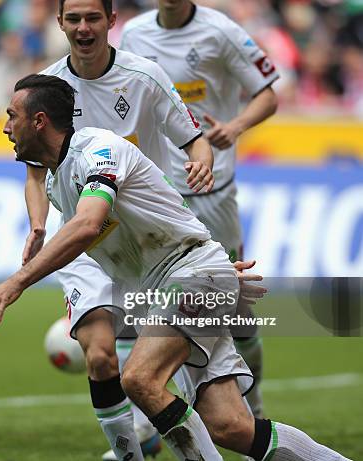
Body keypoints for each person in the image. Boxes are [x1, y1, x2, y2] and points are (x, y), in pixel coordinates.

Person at [0, 74, 350, 461]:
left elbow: (87, 225)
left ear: (39, 120)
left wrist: (17, 282)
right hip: (182, 284)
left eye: (12, 115)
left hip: (190, 275)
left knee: (139, 379)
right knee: (231, 426)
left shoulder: (99, 149)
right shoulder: (55, 181)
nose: (6, 126)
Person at [22, 0, 215, 456]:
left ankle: (159, 431)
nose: (83, 27)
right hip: (83, 237)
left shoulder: (144, 77)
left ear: (111, 21)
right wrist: (36, 225)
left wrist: (202, 163)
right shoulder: (48, 89)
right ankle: (131, 451)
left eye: (93, 18)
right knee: (101, 354)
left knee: (163, 368)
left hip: (149, 238)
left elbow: (195, 139)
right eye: (74, 19)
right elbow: (34, 172)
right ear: (61, 24)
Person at [119, 0, 280, 420]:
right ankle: (147, 421)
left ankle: (253, 403)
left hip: (213, 183)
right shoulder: (135, 34)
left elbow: (268, 94)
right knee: (145, 298)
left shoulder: (220, 31)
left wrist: (237, 125)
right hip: (156, 186)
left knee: (235, 304)